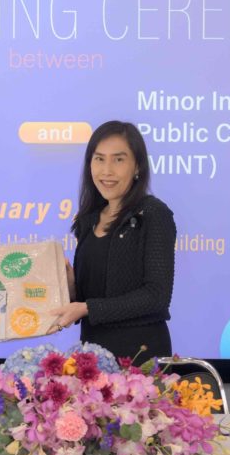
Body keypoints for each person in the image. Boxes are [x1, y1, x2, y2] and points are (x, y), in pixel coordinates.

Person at [49, 121, 176, 361]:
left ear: (137, 166)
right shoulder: (89, 219)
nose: (106, 170)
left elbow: (156, 296)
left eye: (118, 160)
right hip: (92, 356)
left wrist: (86, 308)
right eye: (99, 159)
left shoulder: (153, 213)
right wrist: (72, 286)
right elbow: (92, 298)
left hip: (140, 356)